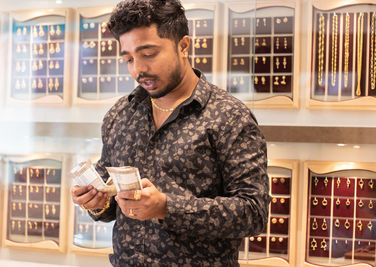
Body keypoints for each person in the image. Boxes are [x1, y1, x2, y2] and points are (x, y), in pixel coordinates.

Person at [71, 0, 270, 266]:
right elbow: (112, 203)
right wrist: (96, 201)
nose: (138, 69)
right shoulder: (120, 115)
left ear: (183, 46)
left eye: (148, 54)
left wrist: (166, 207)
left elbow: (253, 212)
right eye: (129, 58)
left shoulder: (228, 116)